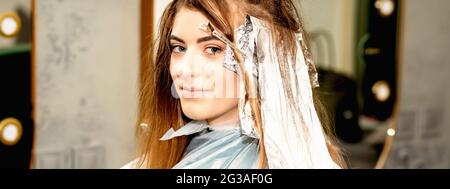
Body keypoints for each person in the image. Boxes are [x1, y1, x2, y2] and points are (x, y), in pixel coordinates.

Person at [123, 0, 346, 169]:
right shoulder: (168, 153)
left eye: (213, 49)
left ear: (266, 57)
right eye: (179, 48)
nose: (185, 70)